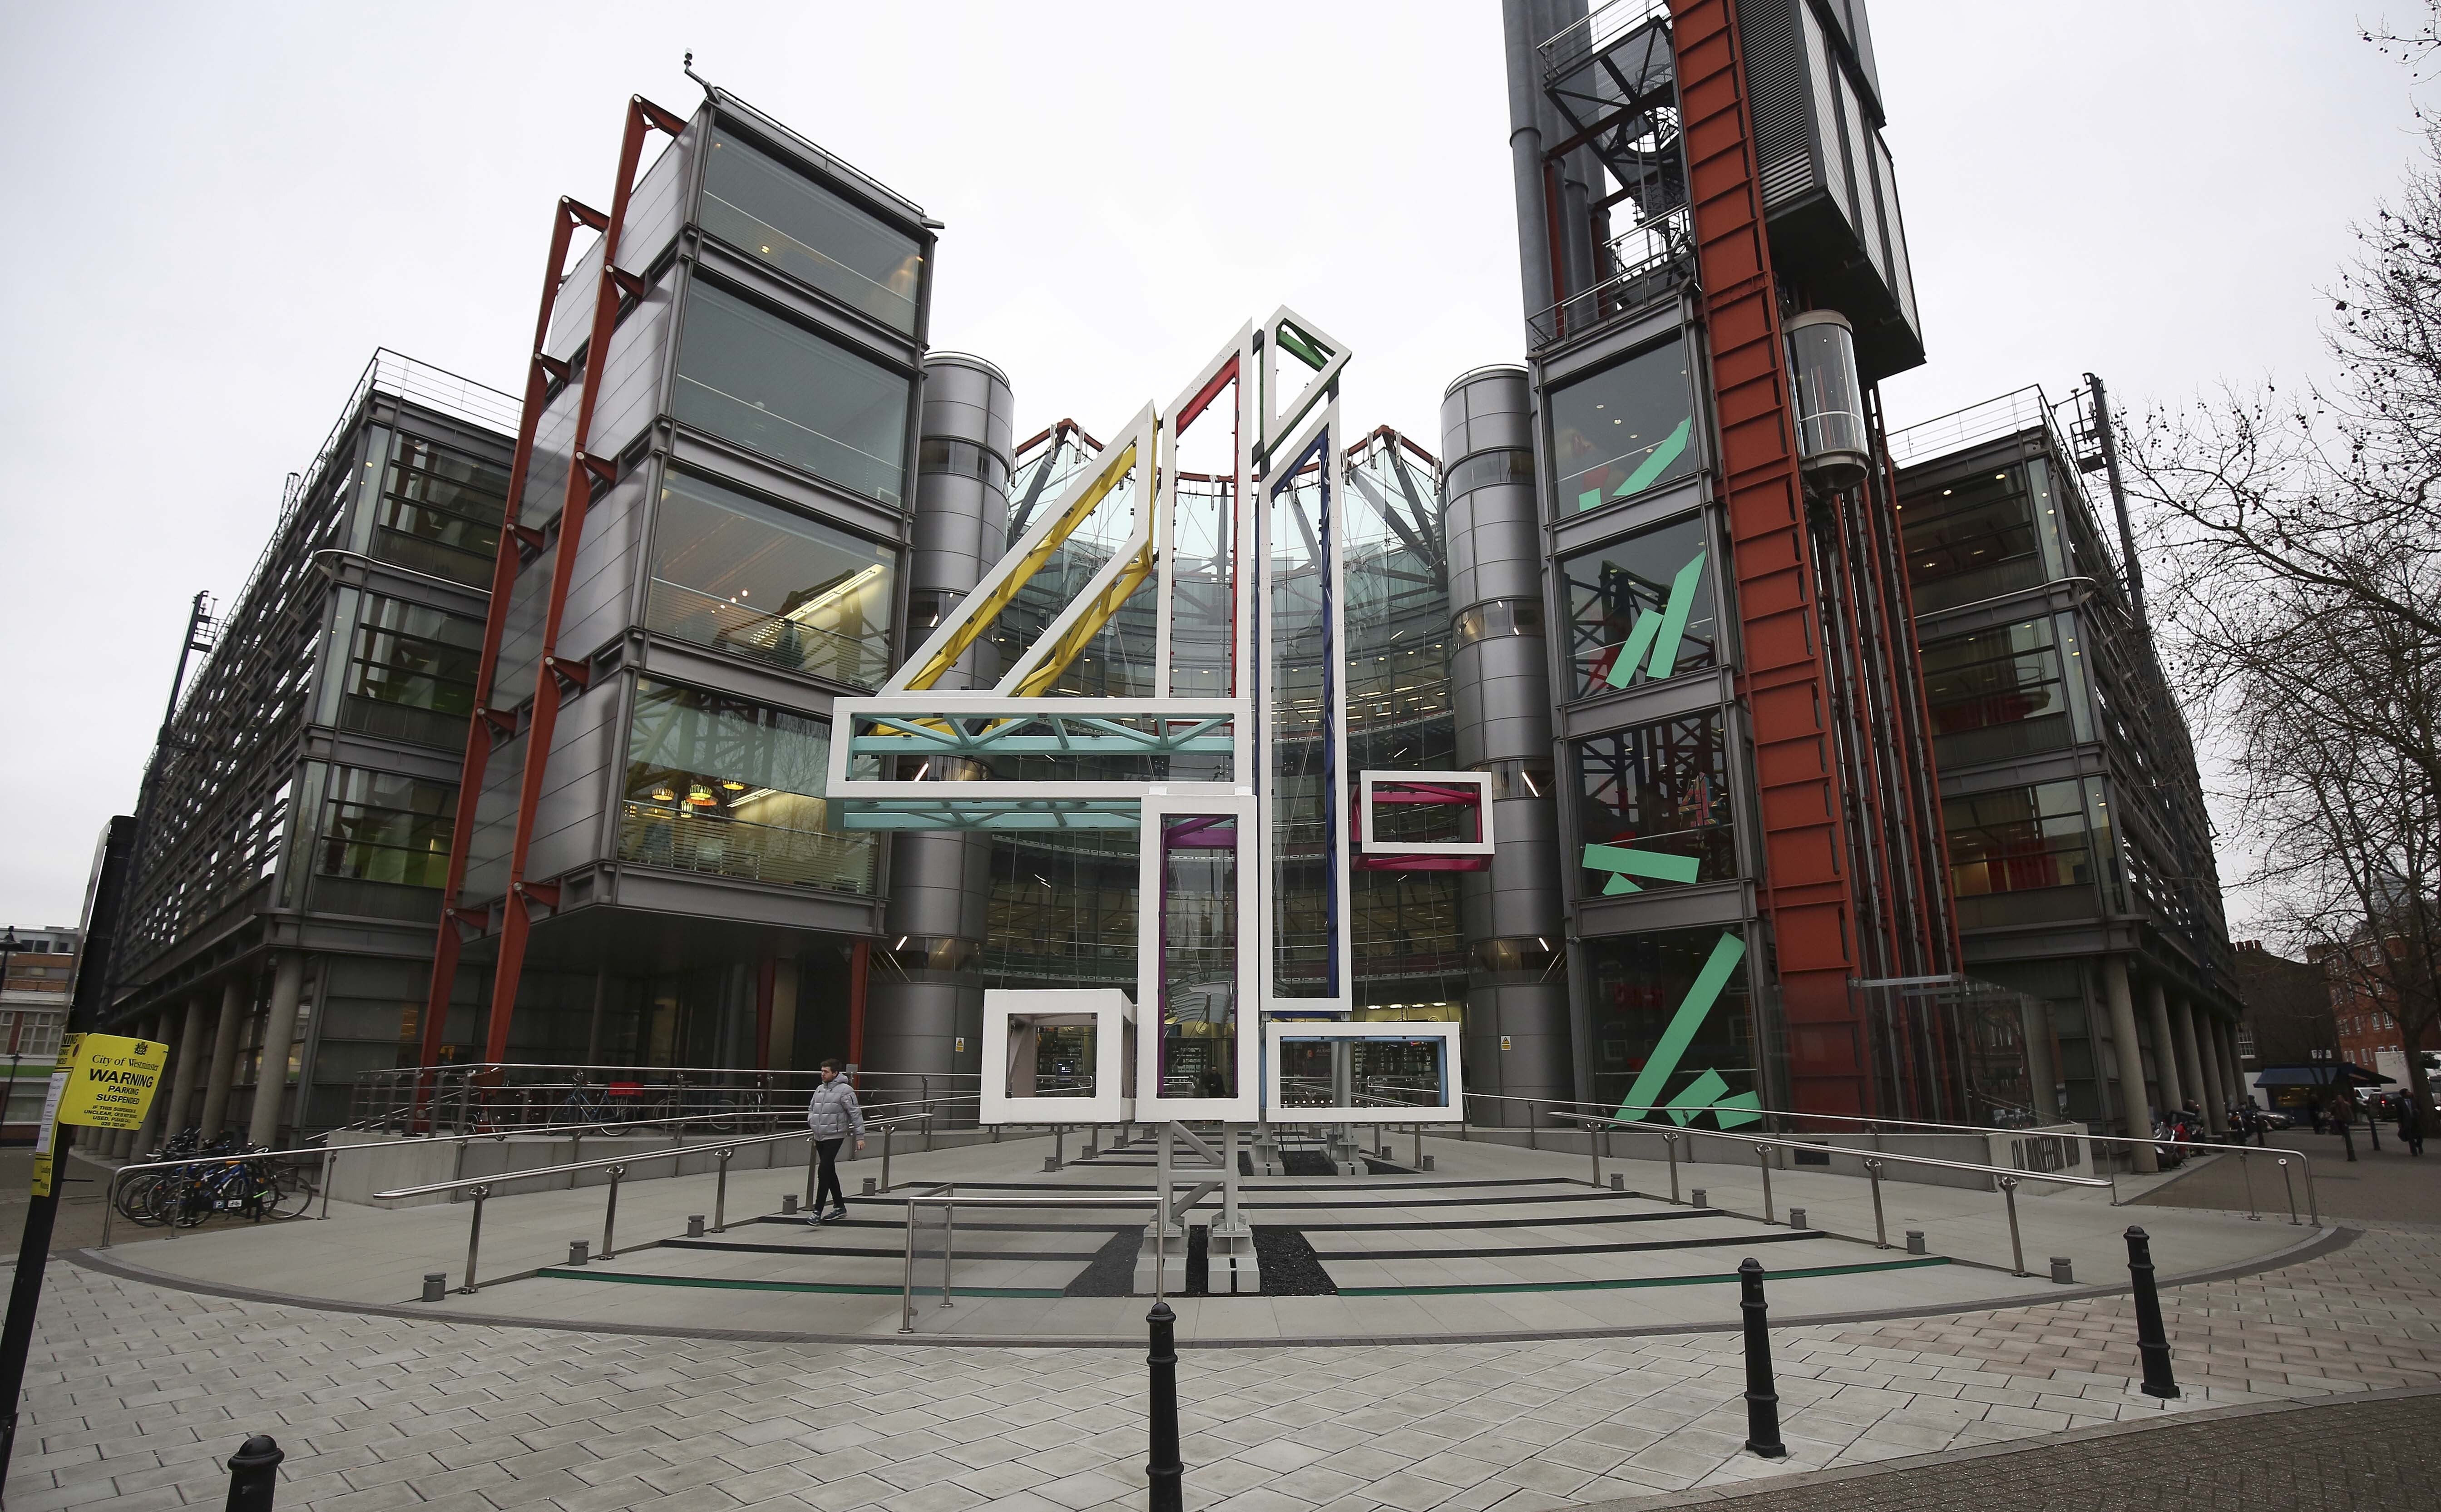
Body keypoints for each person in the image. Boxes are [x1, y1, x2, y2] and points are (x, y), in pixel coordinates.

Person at [804, 1059, 866, 1223]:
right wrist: (812, 1121)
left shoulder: (845, 1091)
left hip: (835, 1135)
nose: (822, 1074)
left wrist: (860, 1136)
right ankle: (840, 1206)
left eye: (826, 1072)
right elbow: (811, 1108)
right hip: (819, 1135)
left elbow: (855, 1113)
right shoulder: (819, 1089)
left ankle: (817, 1211)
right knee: (829, 1171)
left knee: (823, 1171)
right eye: (822, 1071)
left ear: (835, 1073)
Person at [2328, 1087, 2358, 1163]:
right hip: (2338, 1118)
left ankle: (2345, 1135)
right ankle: (2344, 1134)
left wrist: (2352, 1117)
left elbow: (2349, 1111)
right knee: (2340, 1127)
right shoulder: (2335, 1104)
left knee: (2344, 1127)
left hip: (2344, 1118)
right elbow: (2332, 1110)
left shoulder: (2346, 1104)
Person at [2398, 1092, 2424, 1157]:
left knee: (2420, 1135)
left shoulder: (2415, 1101)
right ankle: (2414, 1151)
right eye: (2408, 1092)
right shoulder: (2401, 1103)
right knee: (2410, 1137)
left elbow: (2421, 1109)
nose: (2410, 1093)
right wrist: (2400, 1123)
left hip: (2416, 1121)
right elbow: (2399, 1113)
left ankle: (2419, 1145)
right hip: (2407, 1122)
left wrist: (2418, 1112)